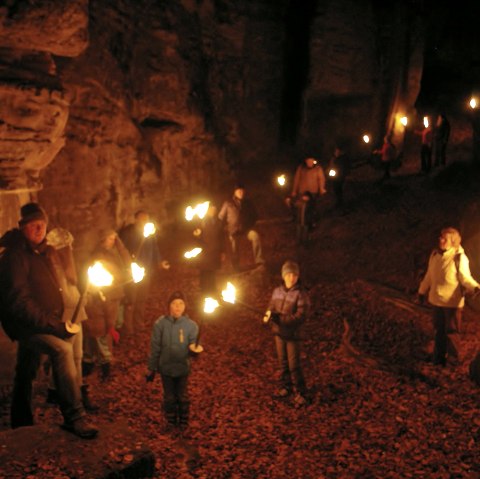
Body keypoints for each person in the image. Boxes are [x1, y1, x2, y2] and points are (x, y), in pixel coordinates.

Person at [0, 202, 98, 438]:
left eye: (42, 225)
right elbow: (19, 301)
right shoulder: (15, 256)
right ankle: (75, 417)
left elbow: (59, 285)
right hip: (26, 324)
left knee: (27, 369)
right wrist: (55, 325)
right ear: (22, 227)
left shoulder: (43, 251)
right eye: (33, 225)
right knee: (62, 350)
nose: (39, 230)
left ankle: (20, 420)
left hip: (43, 320)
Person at [418, 227, 480, 367]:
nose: (440, 239)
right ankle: (438, 358)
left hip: (452, 303)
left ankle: (453, 361)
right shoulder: (434, 254)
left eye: (444, 238)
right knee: (439, 331)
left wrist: (476, 287)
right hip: (436, 300)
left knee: (451, 332)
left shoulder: (459, 257)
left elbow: (465, 278)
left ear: (452, 241)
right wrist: (422, 291)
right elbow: (429, 276)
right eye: (441, 237)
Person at [146, 291, 201, 429]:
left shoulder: (191, 325)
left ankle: (183, 420)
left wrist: (194, 351)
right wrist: (152, 368)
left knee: (182, 395)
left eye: (181, 304)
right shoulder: (160, 324)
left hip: (182, 367)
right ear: (169, 306)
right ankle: (170, 420)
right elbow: (155, 347)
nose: (178, 307)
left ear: (185, 306)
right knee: (169, 396)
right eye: (174, 303)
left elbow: (193, 345)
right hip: (166, 367)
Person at [83, 229, 132, 380]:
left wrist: (120, 246)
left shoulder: (115, 251)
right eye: (110, 239)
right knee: (101, 333)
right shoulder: (100, 256)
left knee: (110, 328)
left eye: (114, 239)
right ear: (103, 239)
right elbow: (110, 276)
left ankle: (97, 361)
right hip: (106, 296)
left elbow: (127, 263)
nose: (113, 241)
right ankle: (98, 363)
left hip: (115, 294)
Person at [263, 260, 310, 406]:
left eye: (294, 274)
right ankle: (286, 387)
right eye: (288, 274)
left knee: (294, 365)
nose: (291, 277)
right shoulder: (277, 291)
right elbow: (271, 307)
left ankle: (301, 393)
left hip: (293, 335)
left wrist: (281, 319)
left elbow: (301, 316)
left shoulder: (301, 294)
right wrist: (268, 316)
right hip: (279, 333)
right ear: (283, 275)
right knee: (283, 363)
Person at [118, 210, 170, 336]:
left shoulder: (149, 233)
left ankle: (138, 324)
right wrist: (128, 263)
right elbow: (122, 250)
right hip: (133, 272)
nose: (144, 222)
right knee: (131, 299)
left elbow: (154, 248)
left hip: (147, 271)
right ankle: (128, 327)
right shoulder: (127, 233)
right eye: (142, 219)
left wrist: (159, 261)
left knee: (141, 298)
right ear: (136, 220)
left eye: (146, 219)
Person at [218, 184, 264, 271]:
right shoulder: (228, 203)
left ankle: (259, 261)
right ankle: (235, 266)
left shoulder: (248, 203)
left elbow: (255, 215)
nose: (241, 193)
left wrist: (250, 224)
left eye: (242, 191)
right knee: (234, 245)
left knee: (255, 236)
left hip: (246, 230)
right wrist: (224, 227)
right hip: (233, 230)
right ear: (235, 192)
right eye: (239, 191)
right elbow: (220, 217)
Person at [193, 203, 224, 295]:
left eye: (214, 209)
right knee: (204, 270)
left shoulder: (218, 222)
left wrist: (223, 251)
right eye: (210, 209)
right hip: (204, 249)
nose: (212, 211)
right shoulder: (201, 221)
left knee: (212, 270)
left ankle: (212, 288)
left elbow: (222, 237)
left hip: (215, 249)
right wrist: (197, 235)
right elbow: (195, 234)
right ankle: (203, 288)